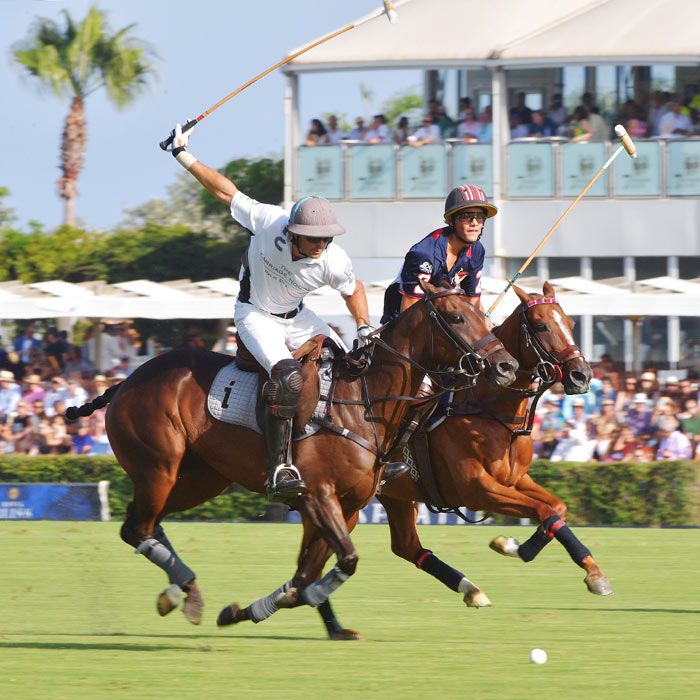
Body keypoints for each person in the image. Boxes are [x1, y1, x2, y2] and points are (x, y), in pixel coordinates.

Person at [167, 121, 373, 501]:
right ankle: (279, 467)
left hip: (297, 316)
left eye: (327, 238)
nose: (321, 246)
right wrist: (183, 155)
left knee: (353, 366)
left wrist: (363, 326)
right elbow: (224, 191)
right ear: (293, 231)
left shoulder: (333, 258)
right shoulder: (268, 221)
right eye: (314, 238)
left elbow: (354, 289)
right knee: (287, 377)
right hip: (255, 315)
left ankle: (371, 452)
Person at [381, 184, 496, 323]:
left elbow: (473, 301)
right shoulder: (423, 255)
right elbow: (408, 312)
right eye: (466, 216)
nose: (474, 222)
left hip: (440, 316)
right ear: (451, 220)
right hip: (401, 321)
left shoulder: (477, 250)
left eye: (480, 216)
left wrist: (483, 322)